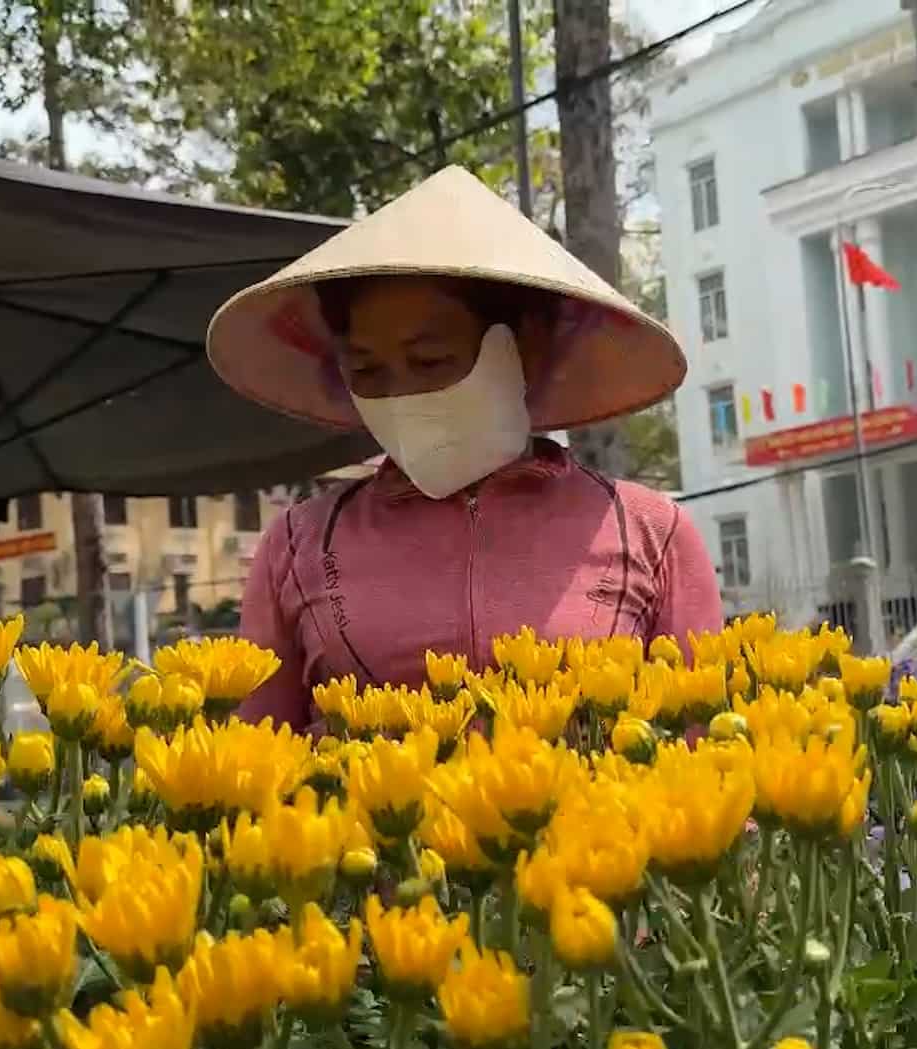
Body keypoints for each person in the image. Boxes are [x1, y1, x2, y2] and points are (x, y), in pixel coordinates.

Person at [206, 165, 724, 728]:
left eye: (430, 361)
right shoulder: (298, 545)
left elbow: (702, 759)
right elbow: (253, 764)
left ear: (523, 347)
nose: (401, 394)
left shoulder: (651, 533)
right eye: (367, 370)